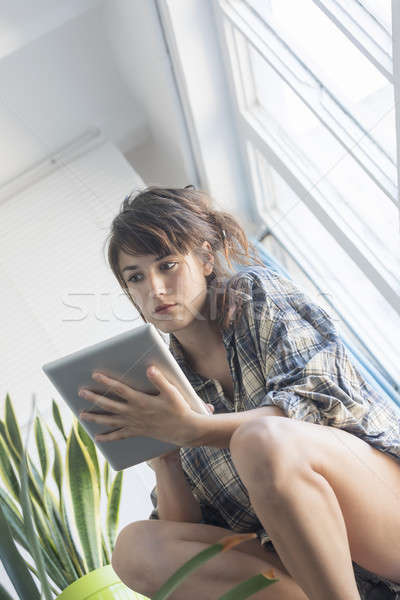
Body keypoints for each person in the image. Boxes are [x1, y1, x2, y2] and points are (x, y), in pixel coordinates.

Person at [84, 185, 400, 600]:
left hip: (385, 518)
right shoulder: (163, 381)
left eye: (168, 265)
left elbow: (313, 404)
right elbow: (193, 535)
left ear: (205, 259)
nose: (155, 290)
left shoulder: (257, 296)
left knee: (260, 439)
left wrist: (194, 429)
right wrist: (165, 458)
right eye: (136, 277)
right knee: (136, 549)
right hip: (313, 576)